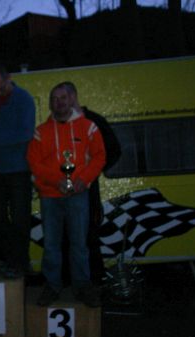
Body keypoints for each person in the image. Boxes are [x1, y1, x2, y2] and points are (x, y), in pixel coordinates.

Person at [27, 82, 106, 308]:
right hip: (50, 196)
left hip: (78, 195)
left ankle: (82, 286)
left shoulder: (88, 127)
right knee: (51, 244)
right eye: (54, 99)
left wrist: (84, 179)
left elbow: (100, 156)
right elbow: (34, 163)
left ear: (71, 99)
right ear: (50, 104)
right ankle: (52, 286)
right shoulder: (40, 132)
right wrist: (57, 181)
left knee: (79, 244)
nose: (59, 102)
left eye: (63, 98)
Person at [60, 84, 122, 286]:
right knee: (65, 239)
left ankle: (95, 285)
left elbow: (114, 151)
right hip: (63, 193)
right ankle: (69, 285)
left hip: (88, 192)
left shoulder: (95, 121)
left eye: (63, 98)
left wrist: (92, 172)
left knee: (89, 238)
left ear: (73, 97)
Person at [0, 64, 35, 278]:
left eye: (1, 88)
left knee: (20, 218)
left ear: (9, 78)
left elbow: (26, 133)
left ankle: (21, 262)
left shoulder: (24, 99)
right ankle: (5, 259)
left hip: (19, 169)